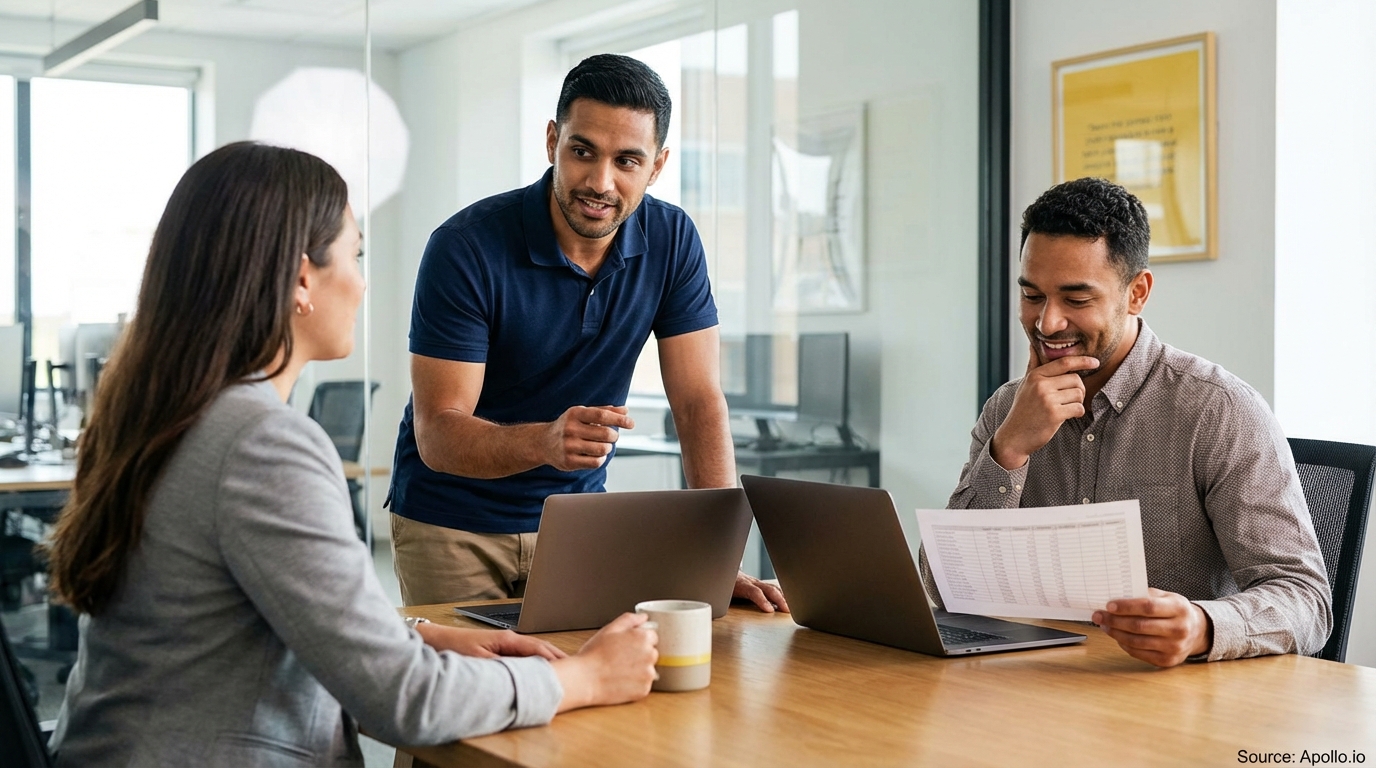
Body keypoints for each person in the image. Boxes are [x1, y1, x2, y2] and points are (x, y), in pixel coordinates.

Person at [42, 142, 659, 766]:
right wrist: (584, 679)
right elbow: (401, 700)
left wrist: (415, 635)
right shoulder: (263, 445)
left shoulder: (165, 416)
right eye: (356, 254)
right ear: (302, 278)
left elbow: (242, 621)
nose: (363, 283)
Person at [388, 53, 787, 613]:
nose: (600, 182)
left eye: (627, 160)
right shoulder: (466, 246)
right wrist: (546, 442)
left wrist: (718, 560)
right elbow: (438, 434)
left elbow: (698, 402)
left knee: (588, 689)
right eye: (583, 152)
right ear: (553, 141)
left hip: (573, 524)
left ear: (657, 166)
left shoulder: (673, 240)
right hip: (452, 524)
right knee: (475, 695)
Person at [924, 177, 1331, 667]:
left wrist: (1203, 626)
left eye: (1076, 300)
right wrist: (1007, 452)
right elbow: (942, 592)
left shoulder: (1219, 410)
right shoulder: (1007, 409)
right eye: (1032, 295)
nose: (1047, 322)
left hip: (1167, 701)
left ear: (1136, 293)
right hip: (1029, 689)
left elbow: (1306, 598)